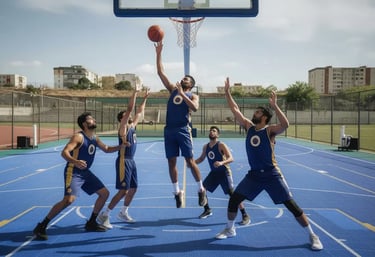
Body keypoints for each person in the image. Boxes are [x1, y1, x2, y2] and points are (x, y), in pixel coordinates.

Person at [215, 78, 323, 251]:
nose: (254, 114)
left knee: (291, 205)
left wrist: (275, 106)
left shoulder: (270, 130)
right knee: (234, 199)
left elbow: (285, 124)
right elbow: (235, 109)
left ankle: (313, 235)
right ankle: (230, 229)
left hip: (272, 174)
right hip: (255, 175)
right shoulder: (249, 127)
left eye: (257, 112)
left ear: (264, 117)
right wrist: (227, 92)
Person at [32, 112, 125, 240]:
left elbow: (107, 149)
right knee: (68, 200)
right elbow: (64, 152)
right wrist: (75, 161)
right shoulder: (78, 137)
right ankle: (41, 226)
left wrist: (121, 146)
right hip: (74, 171)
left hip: (85, 172)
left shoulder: (94, 137)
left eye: (93, 119)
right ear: (84, 124)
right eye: (91, 120)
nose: (94, 121)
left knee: (104, 194)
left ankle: (91, 222)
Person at [155, 41, 206, 208]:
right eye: (183, 77)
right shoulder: (172, 89)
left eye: (186, 78)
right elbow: (160, 72)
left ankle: (201, 190)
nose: (183, 79)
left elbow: (195, 108)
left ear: (190, 84)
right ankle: (177, 192)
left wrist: (183, 94)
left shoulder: (193, 95)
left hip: (183, 130)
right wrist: (159, 53)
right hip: (169, 130)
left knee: (190, 161)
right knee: (171, 162)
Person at [98, 89, 149, 228]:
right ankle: (105, 214)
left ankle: (123, 212)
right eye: (126, 115)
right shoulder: (123, 128)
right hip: (123, 160)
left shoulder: (132, 126)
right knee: (123, 191)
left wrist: (145, 98)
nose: (130, 116)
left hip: (131, 160)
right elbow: (130, 109)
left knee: (133, 189)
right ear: (122, 119)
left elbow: (139, 112)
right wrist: (135, 93)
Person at [195, 126, 250, 225]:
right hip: (214, 173)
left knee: (233, 195)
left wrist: (222, 162)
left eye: (214, 131)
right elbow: (201, 158)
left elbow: (231, 158)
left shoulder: (221, 145)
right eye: (211, 130)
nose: (212, 132)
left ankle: (245, 214)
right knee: (202, 189)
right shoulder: (206, 147)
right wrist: (192, 163)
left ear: (218, 135)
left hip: (224, 172)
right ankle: (207, 209)